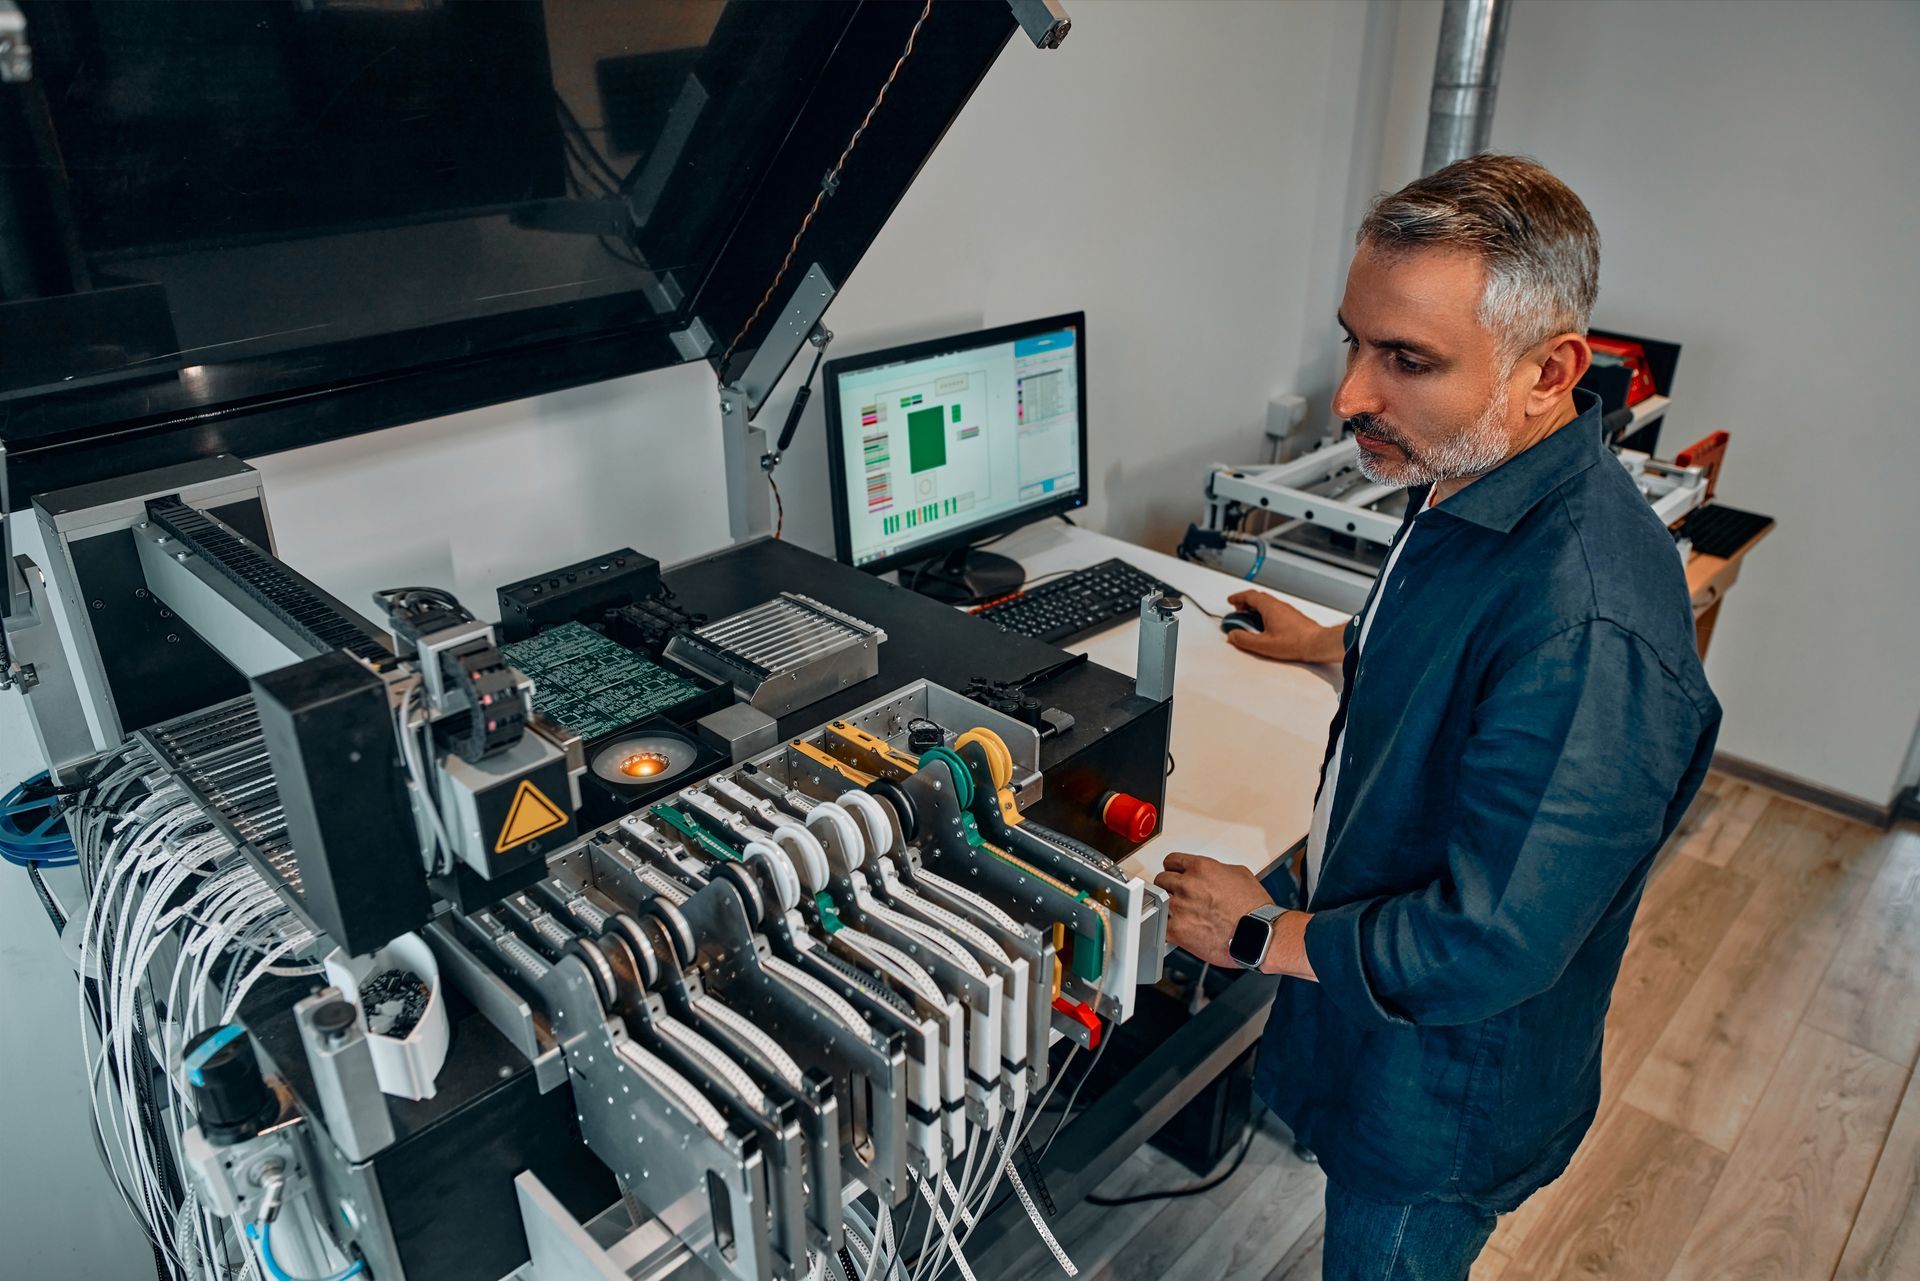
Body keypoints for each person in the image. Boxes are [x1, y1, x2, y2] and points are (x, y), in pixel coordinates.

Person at [1153, 154, 1720, 1281]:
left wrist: (1257, 934)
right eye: (1354, 342)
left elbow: (1485, 941)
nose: (1351, 396)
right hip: (1367, 1017)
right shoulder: (1471, 467)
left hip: (1442, 1095)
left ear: (1548, 371)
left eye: (1406, 359)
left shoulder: (1592, 628)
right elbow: (1467, 642)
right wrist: (1335, 642)